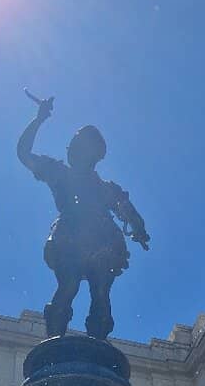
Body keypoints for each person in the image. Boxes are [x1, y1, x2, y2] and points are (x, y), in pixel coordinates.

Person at [17, 93, 150, 340]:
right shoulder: (59, 173)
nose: (71, 148)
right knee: (68, 287)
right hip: (70, 238)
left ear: (93, 153)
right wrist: (38, 120)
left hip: (103, 243)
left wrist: (139, 229)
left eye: (77, 144)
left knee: (100, 293)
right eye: (72, 144)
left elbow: (130, 211)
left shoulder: (105, 187)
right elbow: (24, 153)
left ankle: (97, 346)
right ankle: (54, 345)